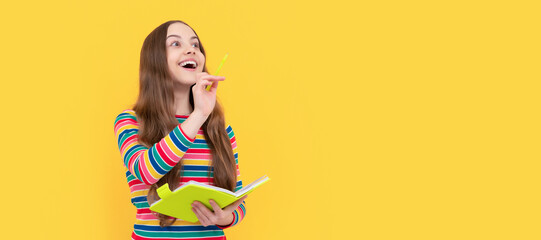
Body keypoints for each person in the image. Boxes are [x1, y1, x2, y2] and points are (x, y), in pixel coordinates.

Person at [113, 20, 247, 240]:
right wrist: (198, 115)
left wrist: (222, 217)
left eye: (196, 45)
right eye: (175, 43)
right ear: (155, 60)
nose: (191, 49)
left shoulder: (221, 130)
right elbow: (146, 171)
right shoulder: (130, 122)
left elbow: (237, 200)